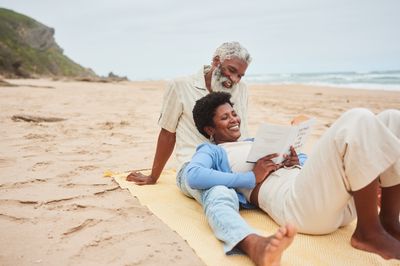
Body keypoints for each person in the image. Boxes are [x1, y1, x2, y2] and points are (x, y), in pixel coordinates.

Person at [184, 91, 400, 260]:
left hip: (330, 201)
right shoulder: (213, 150)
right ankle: (368, 233)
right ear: (210, 129)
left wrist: (297, 161)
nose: (234, 119)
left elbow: (311, 166)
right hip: (298, 208)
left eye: (233, 113)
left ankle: (387, 222)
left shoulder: (253, 143)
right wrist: (251, 178)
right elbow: (194, 175)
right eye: (225, 118)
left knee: (393, 119)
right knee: (356, 118)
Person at [126, 41, 251, 185]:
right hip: (195, 167)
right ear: (216, 61)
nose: (235, 79)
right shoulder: (180, 86)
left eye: (240, 75)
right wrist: (153, 176)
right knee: (220, 191)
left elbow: (242, 130)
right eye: (232, 70)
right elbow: (167, 133)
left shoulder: (241, 89)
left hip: (234, 163)